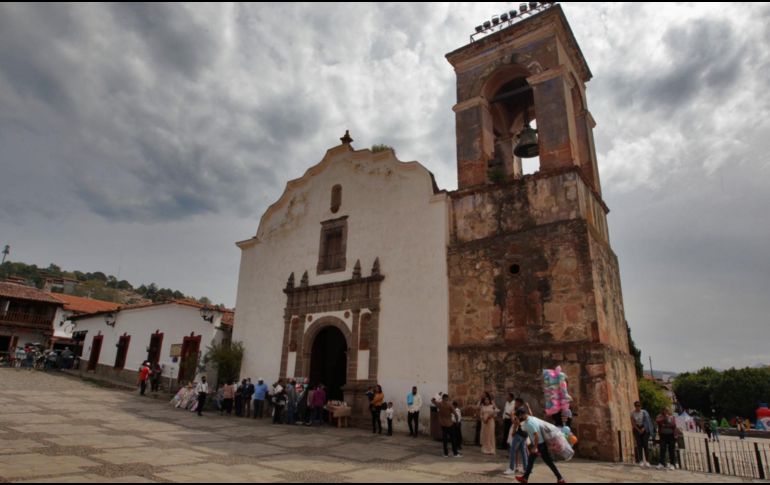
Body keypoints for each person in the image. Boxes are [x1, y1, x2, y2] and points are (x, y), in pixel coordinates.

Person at [514, 408, 565, 484]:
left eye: (519, 416)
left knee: (548, 462)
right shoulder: (531, 418)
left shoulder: (529, 424)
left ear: (521, 415)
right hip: (540, 444)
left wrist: (535, 447)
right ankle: (525, 478)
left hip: (539, 445)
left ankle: (560, 478)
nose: (519, 418)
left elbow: (536, 435)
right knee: (532, 461)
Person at [504, 406, 528, 475]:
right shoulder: (527, 417)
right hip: (525, 435)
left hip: (519, 435)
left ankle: (511, 468)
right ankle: (526, 469)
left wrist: (513, 432)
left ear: (520, 414)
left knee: (512, 450)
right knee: (523, 452)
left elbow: (516, 424)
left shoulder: (519, 417)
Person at [436, 393, 461, 458]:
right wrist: (457, 422)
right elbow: (455, 414)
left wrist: (437, 395)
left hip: (443, 424)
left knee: (445, 440)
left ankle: (445, 453)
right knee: (453, 439)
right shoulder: (449, 405)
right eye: (447, 399)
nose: (447, 400)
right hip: (450, 424)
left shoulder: (440, 404)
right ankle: (455, 453)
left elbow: (433, 400)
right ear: (446, 398)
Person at [631, 401, 653, 468]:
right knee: (639, 444)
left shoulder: (644, 412)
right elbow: (633, 423)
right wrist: (638, 429)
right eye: (637, 406)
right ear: (635, 406)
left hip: (645, 429)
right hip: (637, 428)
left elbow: (647, 421)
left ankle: (647, 461)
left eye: (639, 406)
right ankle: (640, 460)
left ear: (641, 406)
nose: (638, 407)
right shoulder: (632, 413)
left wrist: (643, 428)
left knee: (645, 444)